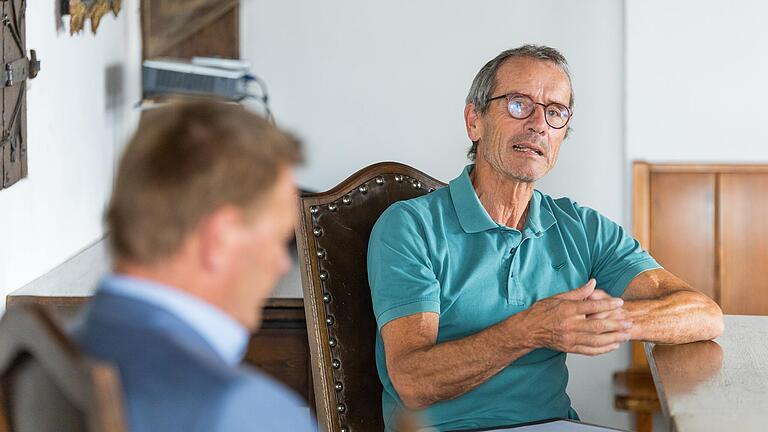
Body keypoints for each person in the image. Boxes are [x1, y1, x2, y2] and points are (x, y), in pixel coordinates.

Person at [367, 45, 724, 431]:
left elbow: (705, 316)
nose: (539, 123)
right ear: (475, 121)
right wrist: (531, 329)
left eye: (555, 112)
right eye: (519, 103)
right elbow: (413, 383)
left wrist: (610, 319)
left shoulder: (581, 227)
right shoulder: (409, 226)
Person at [73, 100, 316, 432]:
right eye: (279, 238)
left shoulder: (40, 347)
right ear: (219, 240)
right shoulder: (244, 413)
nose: (282, 264)